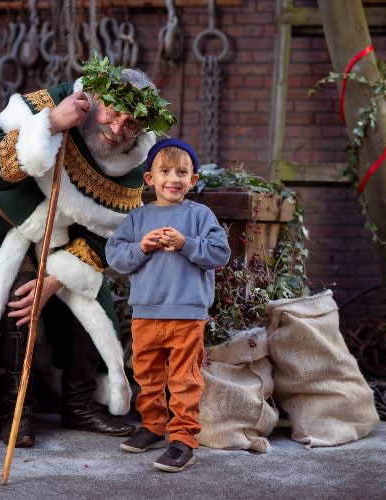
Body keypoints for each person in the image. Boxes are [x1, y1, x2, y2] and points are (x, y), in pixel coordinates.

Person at [0, 57, 175, 448]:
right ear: (95, 99)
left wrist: (58, 278)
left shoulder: (133, 158)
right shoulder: (53, 103)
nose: (116, 129)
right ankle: (13, 410)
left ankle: (80, 404)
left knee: (89, 294)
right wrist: (53, 123)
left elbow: (110, 233)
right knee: (14, 292)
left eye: (130, 124)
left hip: (58, 240)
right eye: (112, 114)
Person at [105, 138, 231, 472]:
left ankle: (183, 440)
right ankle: (153, 426)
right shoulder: (137, 219)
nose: (173, 178)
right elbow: (115, 256)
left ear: (193, 180)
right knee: (147, 375)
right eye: (165, 171)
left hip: (187, 314)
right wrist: (141, 248)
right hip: (146, 313)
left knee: (184, 378)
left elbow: (220, 253)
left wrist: (186, 243)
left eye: (181, 172)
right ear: (149, 179)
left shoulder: (200, 215)